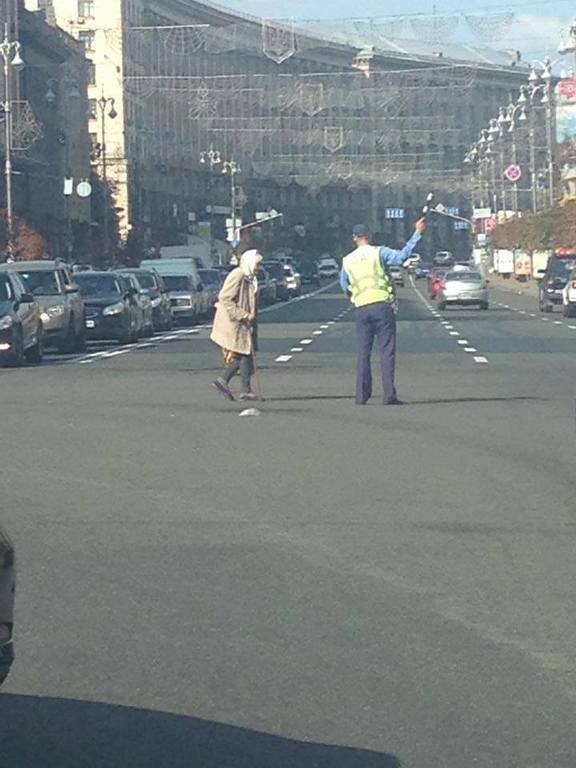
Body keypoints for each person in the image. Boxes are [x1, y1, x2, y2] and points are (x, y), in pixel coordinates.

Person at [340, 219, 426, 405]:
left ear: (354, 238)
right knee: (386, 351)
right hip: (381, 305)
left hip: (361, 308)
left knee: (363, 352)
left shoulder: (347, 260)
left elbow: (344, 285)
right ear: (369, 236)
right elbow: (402, 256)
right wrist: (417, 233)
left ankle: (361, 396)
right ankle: (388, 395)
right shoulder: (379, 252)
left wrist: (355, 297)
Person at [211, 249, 262, 402]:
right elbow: (225, 298)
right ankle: (223, 380)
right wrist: (242, 314)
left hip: (244, 322)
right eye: (257, 264)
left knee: (245, 352)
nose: (259, 267)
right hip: (233, 322)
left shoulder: (249, 277)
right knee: (242, 353)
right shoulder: (238, 275)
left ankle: (244, 389)